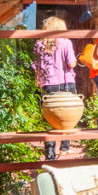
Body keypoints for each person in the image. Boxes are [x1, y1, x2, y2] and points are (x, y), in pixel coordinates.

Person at [32, 16, 77, 160]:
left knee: (49, 117)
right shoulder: (65, 42)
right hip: (65, 82)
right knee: (68, 114)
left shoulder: (39, 44)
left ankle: (49, 151)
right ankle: (65, 147)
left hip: (47, 83)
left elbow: (36, 66)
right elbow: (71, 63)